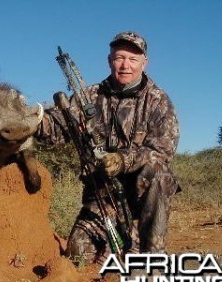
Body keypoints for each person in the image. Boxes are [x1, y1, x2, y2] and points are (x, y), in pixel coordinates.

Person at [35, 31, 180, 265]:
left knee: (159, 172)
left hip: (138, 203)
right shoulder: (89, 96)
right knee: (76, 257)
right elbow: (56, 129)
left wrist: (122, 161)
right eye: (119, 57)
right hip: (100, 199)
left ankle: (153, 258)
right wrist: (28, 120)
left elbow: (162, 150)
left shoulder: (157, 100)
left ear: (145, 63)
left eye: (133, 59)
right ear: (110, 60)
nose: (125, 65)